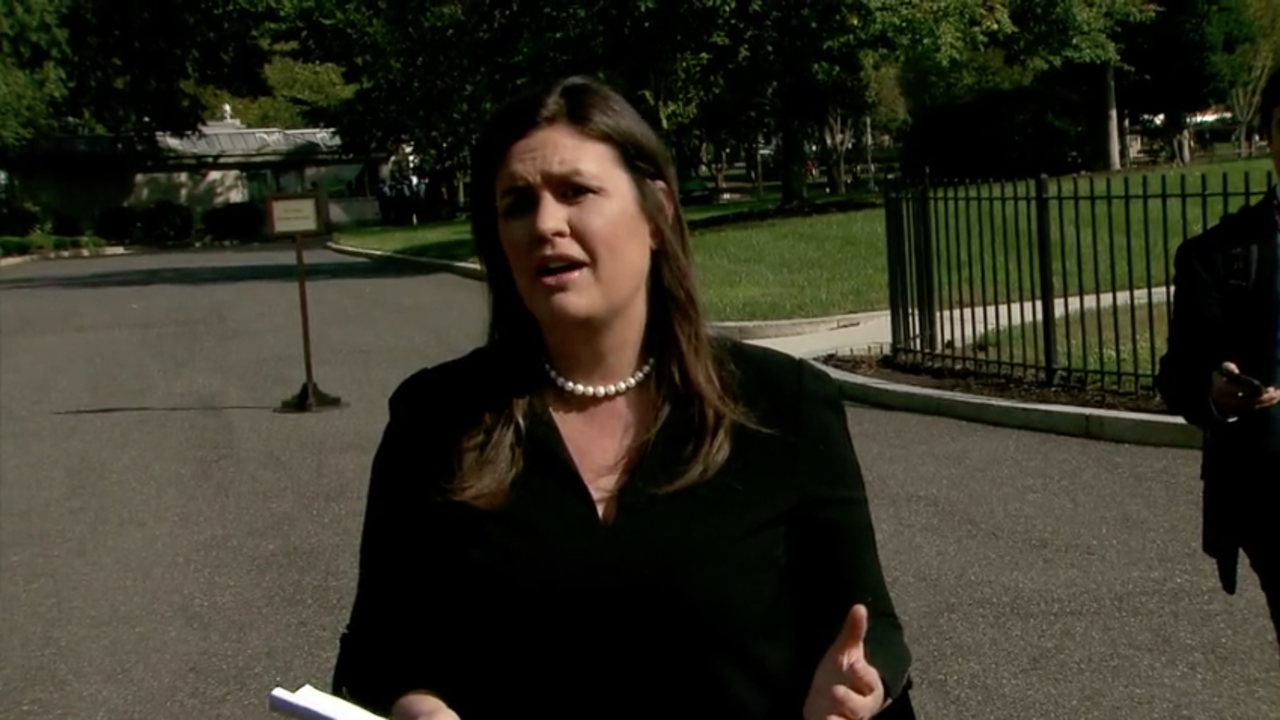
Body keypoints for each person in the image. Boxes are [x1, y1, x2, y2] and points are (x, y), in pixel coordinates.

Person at [331, 76, 915, 720]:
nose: (546, 224)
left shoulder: (782, 405)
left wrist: (859, 686)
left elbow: (873, 628)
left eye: (575, 192)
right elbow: (377, 657)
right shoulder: (437, 418)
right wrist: (419, 707)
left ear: (657, 213)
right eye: (517, 204)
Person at [1156, 67, 1280, 661]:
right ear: (1269, 138)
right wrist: (1212, 388)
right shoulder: (1219, 257)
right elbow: (1177, 372)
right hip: (1270, 491)